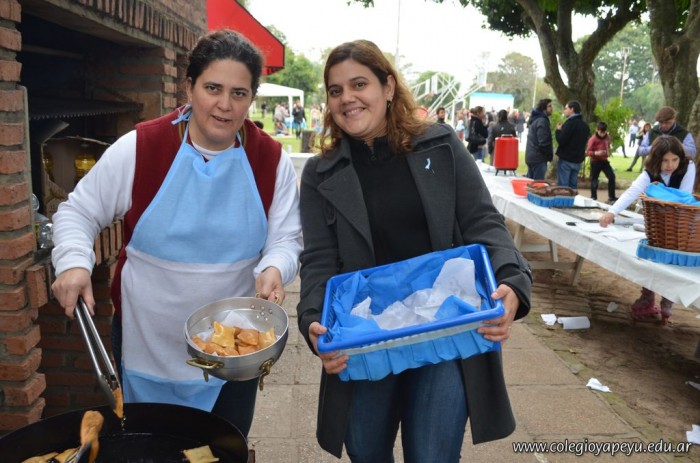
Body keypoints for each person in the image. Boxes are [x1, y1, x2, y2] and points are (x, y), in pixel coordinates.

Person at [50, 29, 303, 437]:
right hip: (147, 338)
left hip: (235, 347)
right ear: (189, 87)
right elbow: (77, 212)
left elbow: (286, 239)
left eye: (239, 93)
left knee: (224, 445)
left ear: (252, 98)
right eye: (212, 88)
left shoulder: (271, 161)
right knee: (150, 446)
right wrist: (74, 262)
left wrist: (275, 267)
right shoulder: (140, 148)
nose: (224, 105)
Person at [297, 39, 532, 463]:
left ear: (388, 87)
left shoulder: (439, 146)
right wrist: (313, 319)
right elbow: (318, 258)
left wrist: (513, 282)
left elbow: (483, 221)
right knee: (366, 450)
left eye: (359, 84)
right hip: (365, 341)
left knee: (431, 453)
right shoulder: (320, 173)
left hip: (444, 330)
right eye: (335, 90)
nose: (347, 97)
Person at [600, 136, 695, 323]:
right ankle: (647, 296)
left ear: (680, 158)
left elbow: (684, 197)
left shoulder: (688, 167)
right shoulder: (649, 173)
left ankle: (668, 299)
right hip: (656, 225)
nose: (670, 165)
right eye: (665, 160)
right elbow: (632, 191)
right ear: (657, 159)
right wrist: (611, 212)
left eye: (674, 160)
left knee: (674, 262)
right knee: (652, 260)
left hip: (680, 225)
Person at [555, 100, 590, 189]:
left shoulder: (569, 124)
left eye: (566, 108)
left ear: (572, 109)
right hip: (577, 160)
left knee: (563, 187)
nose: (564, 110)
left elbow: (561, 140)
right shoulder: (585, 126)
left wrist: (558, 131)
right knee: (573, 187)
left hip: (566, 159)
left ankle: (564, 199)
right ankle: (572, 198)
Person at [585, 122, 618, 203]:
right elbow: (587, 152)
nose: (602, 134)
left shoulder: (608, 137)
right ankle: (593, 197)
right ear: (597, 130)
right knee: (594, 179)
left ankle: (612, 196)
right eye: (601, 132)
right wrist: (596, 153)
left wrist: (608, 151)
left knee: (612, 176)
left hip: (604, 161)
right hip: (595, 161)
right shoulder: (593, 139)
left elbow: (608, 145)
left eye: (604, 132)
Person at [525, 98, 553, 180]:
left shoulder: (535, 119)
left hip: (532, 155)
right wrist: (549, 155)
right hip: (538, 158)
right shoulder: (542, 121)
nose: (552, 108)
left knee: (531, 183)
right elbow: (543, 141)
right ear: (544, 108)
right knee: (537, 184)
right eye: (549, 106)